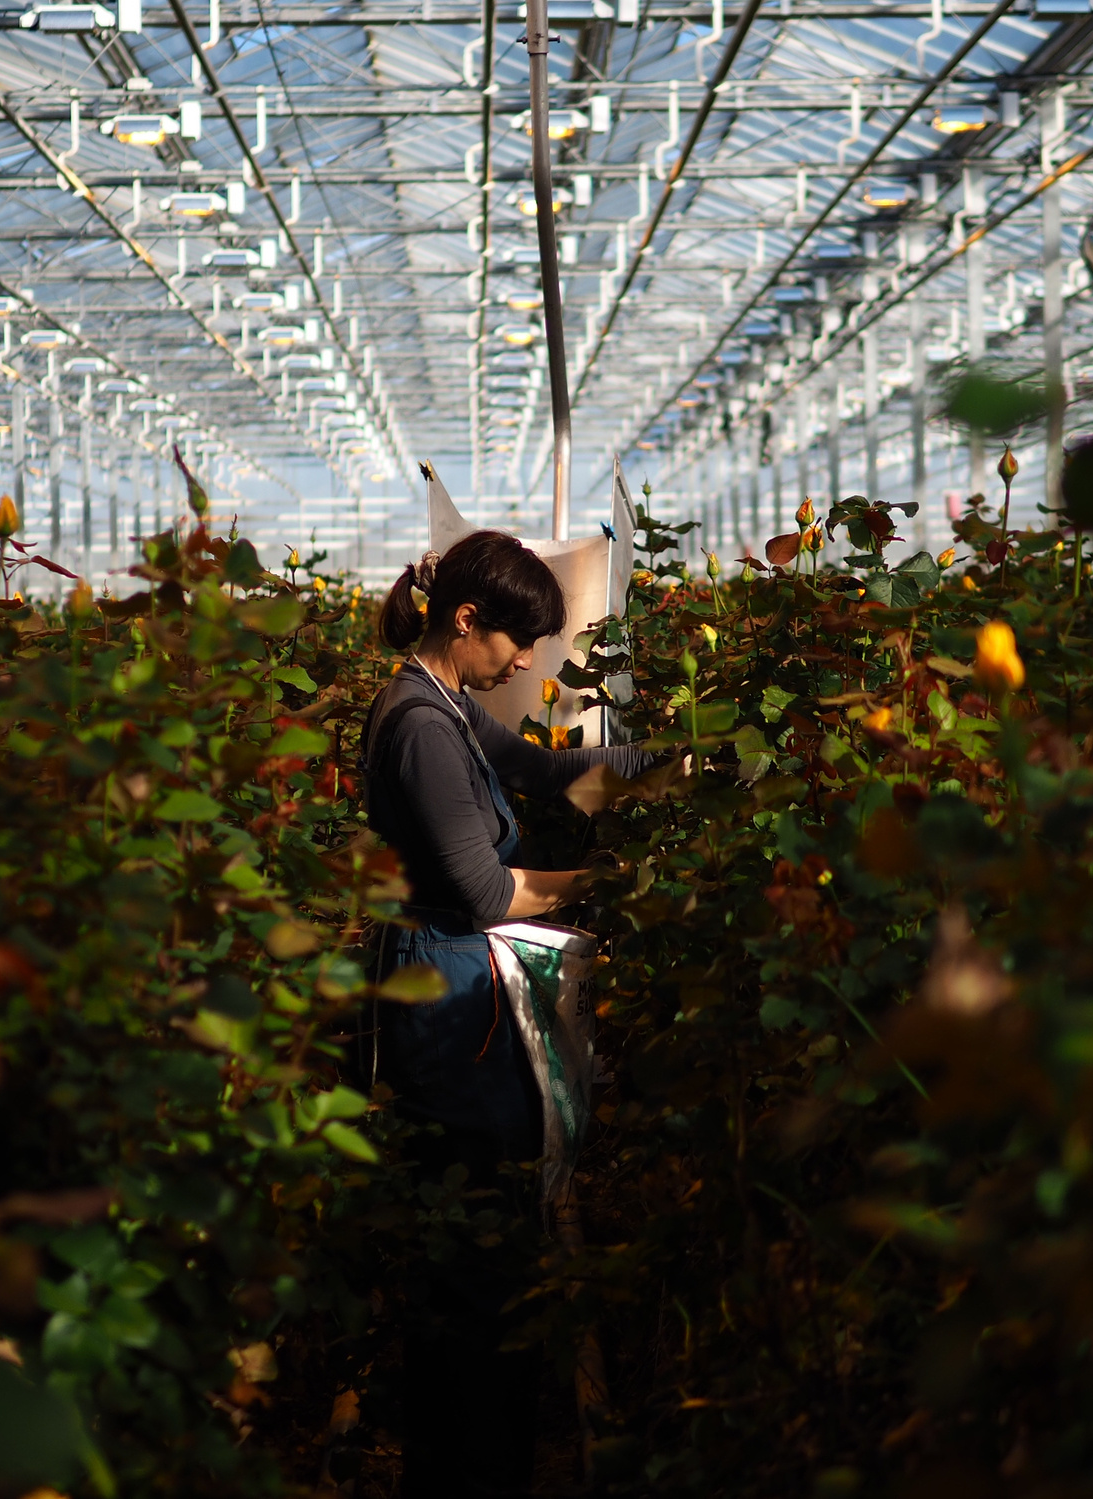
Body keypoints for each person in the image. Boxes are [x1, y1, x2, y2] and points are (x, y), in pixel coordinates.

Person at [359, 529, 657, 1499]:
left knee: (489, 1236)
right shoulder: (419, 726)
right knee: (471, 1246)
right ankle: (468, 1466)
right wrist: (607, 879)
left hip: (463, 990)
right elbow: (487, 893)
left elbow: (541, 771)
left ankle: (478, 1452)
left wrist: (677, 766)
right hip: (445, 1001)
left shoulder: (448, 702)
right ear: (465, 620)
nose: (529, 663)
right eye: (518, 641)